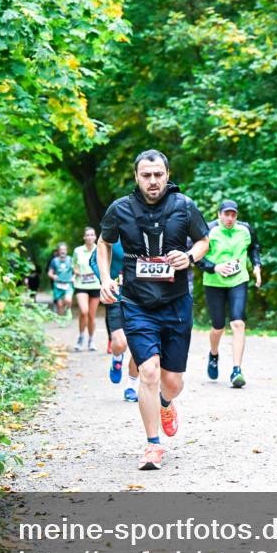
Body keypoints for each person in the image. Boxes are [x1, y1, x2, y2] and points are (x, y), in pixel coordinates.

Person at [97, 149, 210, 471]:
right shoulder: (120, 209)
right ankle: (152, 445)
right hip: (137, 303)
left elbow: (204, 240)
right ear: (136, 177)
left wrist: (189, 256)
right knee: (148, 372)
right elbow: (104, 243)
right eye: (146, 175)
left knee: (172, 381)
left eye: (158, 174)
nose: (153, 181)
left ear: (167, 173)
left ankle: (166, 403)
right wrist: (104, 278)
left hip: (176, 303)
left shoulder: (184, 206)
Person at [196, 200, 262, 388]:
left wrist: (257, 267)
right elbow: (196, 257)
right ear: (219, 215)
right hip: (214, 282)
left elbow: (254, 248)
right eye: (226, 214)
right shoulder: (208, 230)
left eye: (233, 215)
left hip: (238, 281)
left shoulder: (245, 230)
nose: (230, 218)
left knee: (238, 322)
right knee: (218, 327)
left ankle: (236, 370)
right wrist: (215, 267)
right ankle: (214, 354)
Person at [90, 239, 141, 402]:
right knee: (120, 343)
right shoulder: (113, 237)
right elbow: (93, 259)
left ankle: (131, 386)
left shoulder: (148, 234)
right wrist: (105, 279)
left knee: (140, 348)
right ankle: (117, 358)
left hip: (142, 299)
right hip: (117, 296)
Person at [72, 227, 102, 351]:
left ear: (95, 237)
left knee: (91, 315)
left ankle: (91, 340)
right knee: (84, 311)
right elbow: (74, 265)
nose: (89, 237)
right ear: (84, 237)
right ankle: (81, 337)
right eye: (87, 235)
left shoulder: (100, 249)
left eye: (92, 235)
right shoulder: (78, 251)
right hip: (81, 285)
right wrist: (76, 271)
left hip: (95, 285)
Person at [47, 243, 74, 317]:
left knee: (68, 299)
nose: (63, 251)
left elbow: (76, 270)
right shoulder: (54, 261)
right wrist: (53, 276)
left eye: (64, 249)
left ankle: (68, 309)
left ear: (67, 251)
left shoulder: (71, 259)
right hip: (58, 285)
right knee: (59, 305)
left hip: (68, 283)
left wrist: (74, 276)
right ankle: (62, 320)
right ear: (58, 251)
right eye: (61, 249)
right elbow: (49, 273)